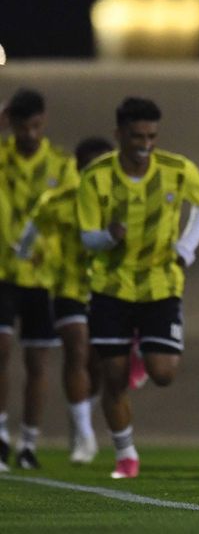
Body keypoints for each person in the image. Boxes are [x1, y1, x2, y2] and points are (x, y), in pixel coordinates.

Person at [77, 97, 199, 479]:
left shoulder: (175, 169)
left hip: (160, 282)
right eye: (137, 136)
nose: (145, 144)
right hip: (111, 286)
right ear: (119, 134)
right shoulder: (96, 176)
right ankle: (126, 455)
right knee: (113, 378)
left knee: (164, 373)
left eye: (152, 136)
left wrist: (186, 248)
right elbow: (87, 237)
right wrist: (108, 237)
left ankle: (143, 351)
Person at [16, 137, 115, 465]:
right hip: (68, 288)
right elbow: (32, 228)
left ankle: (81, 416)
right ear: (79, 168)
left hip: (107, 290)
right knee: (76, 348)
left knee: (99, 363)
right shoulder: (60, 201)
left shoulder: (120, 203)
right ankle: (85, 435)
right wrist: (27, 254)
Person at [0, 88, 78, 472]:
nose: (29, 134)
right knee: (0, 350)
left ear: (43, 122)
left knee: (37, 361)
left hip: (42, 275)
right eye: (21, 126)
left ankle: (28, 442)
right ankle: (0, 435)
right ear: (10, 123)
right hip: (1, 271)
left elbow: (71, 211)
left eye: (35, 125)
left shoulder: (62, 165)